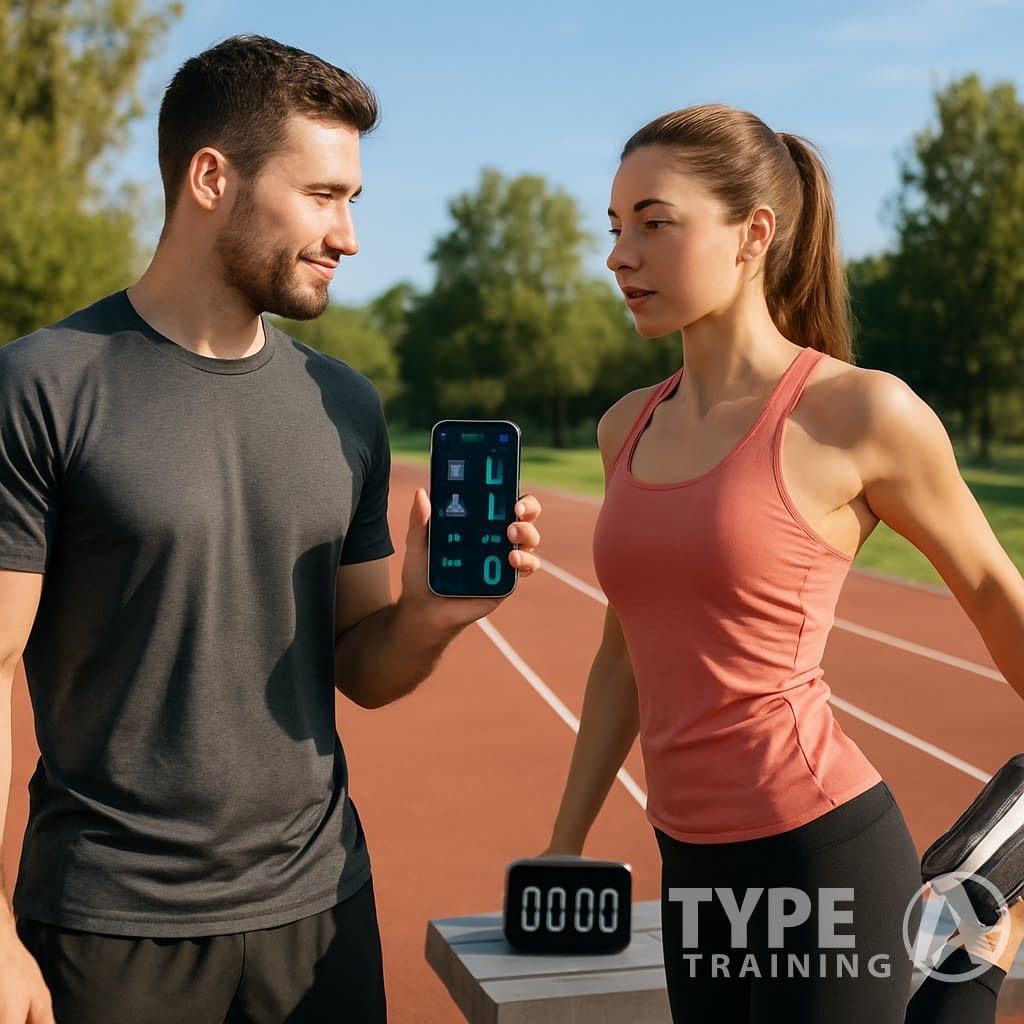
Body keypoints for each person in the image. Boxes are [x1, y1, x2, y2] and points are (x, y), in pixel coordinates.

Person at [0, 35, 541, 1024]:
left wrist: (430, 614)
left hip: (320, 908)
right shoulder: (43, 384)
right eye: (324, 194)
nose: (349, 235)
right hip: (109, 927)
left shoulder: (345, 405)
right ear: (212, 177)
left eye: (354, 201)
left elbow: (361, 666)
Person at [541, 103, 1024, 1022]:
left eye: (655, 223)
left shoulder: (859, 415)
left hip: (822, 853)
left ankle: (981, 951)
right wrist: (565, 842)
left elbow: (997, 590)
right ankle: (977, 949)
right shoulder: (624, 428)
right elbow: (622, 658)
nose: (619, 256)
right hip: (689, 869)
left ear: (753, 233)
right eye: (614, 228)